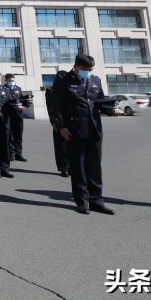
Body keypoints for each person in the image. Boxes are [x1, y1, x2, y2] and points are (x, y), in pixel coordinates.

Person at [49, 54, 123, 215]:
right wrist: (61, 126)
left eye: (90, 69)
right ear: (76, 67)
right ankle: (82, 200)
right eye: (85, 69)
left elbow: (100, 102)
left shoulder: (95, 80)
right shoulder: (63, 80)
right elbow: (56, 106)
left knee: (95, 167)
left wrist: (112, 110)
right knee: (78, 167)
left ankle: (97, 200)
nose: (88, 72)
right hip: (74, 130)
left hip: (94, 129)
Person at [4, 74, 29, 162]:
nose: (12, 82)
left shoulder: (18, 88)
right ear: (6, 80)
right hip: (8, 116)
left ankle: (18, 153)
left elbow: (22, 100)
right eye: (10, 80)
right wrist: (13, 106)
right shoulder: (2, 88)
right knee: (9, 136)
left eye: (13, 80)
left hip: (18, 115)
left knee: (18, 136)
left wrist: (27, 103)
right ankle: (10, 153)